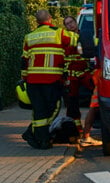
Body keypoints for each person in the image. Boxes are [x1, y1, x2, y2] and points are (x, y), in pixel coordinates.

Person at [21, 9, 73, 149]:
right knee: (53, 109)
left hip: (33, 81)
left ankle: (40, 139)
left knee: (39, 111)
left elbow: (24, 60)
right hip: (52, 80)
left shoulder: (29, 36)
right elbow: (76, 40)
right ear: (50, 18)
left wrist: (24, 78)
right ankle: (34, 135)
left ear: (37, 21)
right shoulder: (59, 33)